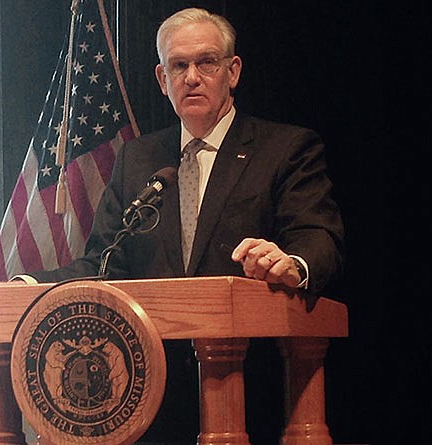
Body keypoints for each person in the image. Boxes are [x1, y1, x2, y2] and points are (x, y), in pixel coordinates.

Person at [20, 7, 344, 443]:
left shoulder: (285, 149)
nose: (192, 76)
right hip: (147, 397)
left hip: (249, 390)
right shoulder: (138, 160)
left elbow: (317, 238)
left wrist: (293, 263)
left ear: (233, 71)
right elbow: (103, 264)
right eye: (179, 65)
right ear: (162, 79)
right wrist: (29, 284)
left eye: (206, 62)